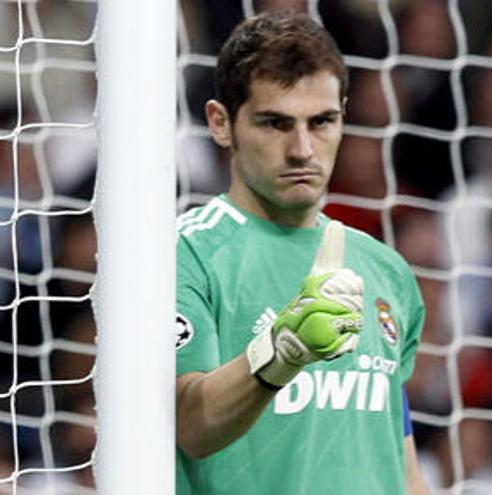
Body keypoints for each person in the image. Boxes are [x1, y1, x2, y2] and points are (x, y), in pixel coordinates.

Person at [174, 11, 430, 494]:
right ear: (220, 123)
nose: (303, 150)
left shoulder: (385, 269)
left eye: (322, 122)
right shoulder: (187, 253)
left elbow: (398, 455)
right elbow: (190, 425)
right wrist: (283, 348)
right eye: (276, 123)